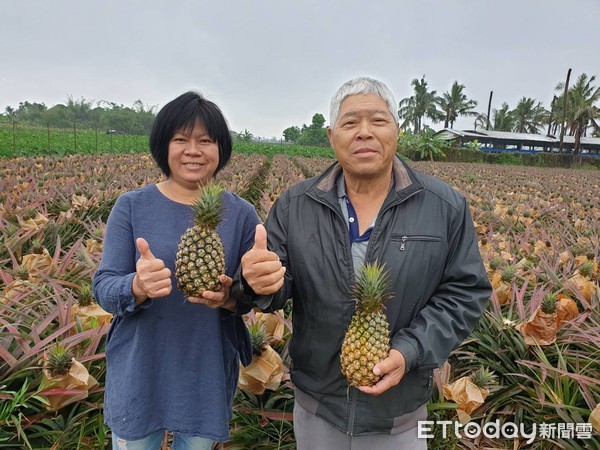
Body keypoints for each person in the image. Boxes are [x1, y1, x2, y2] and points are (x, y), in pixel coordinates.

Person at [232, 77, 492, 449]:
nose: (364, 133)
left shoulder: (445, 207)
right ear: (331, 135)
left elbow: (465, 293)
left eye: (378, 121)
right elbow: (274, 284)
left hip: (398, 415)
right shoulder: (295, 205)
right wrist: (256, 281)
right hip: (317, 406)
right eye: (350, 122)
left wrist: (410, 350)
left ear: (397, 131)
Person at [93, 91, 260, 450]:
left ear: (221, 148)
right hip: (141, 367)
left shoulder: (242, 214)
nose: (193, 150)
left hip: (205, 368)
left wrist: (230, 298)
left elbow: (251, 296)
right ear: (163, 146)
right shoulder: (132, 206)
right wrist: (136, 286)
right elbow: (104, 286)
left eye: (205, 141)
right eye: (180, 139)